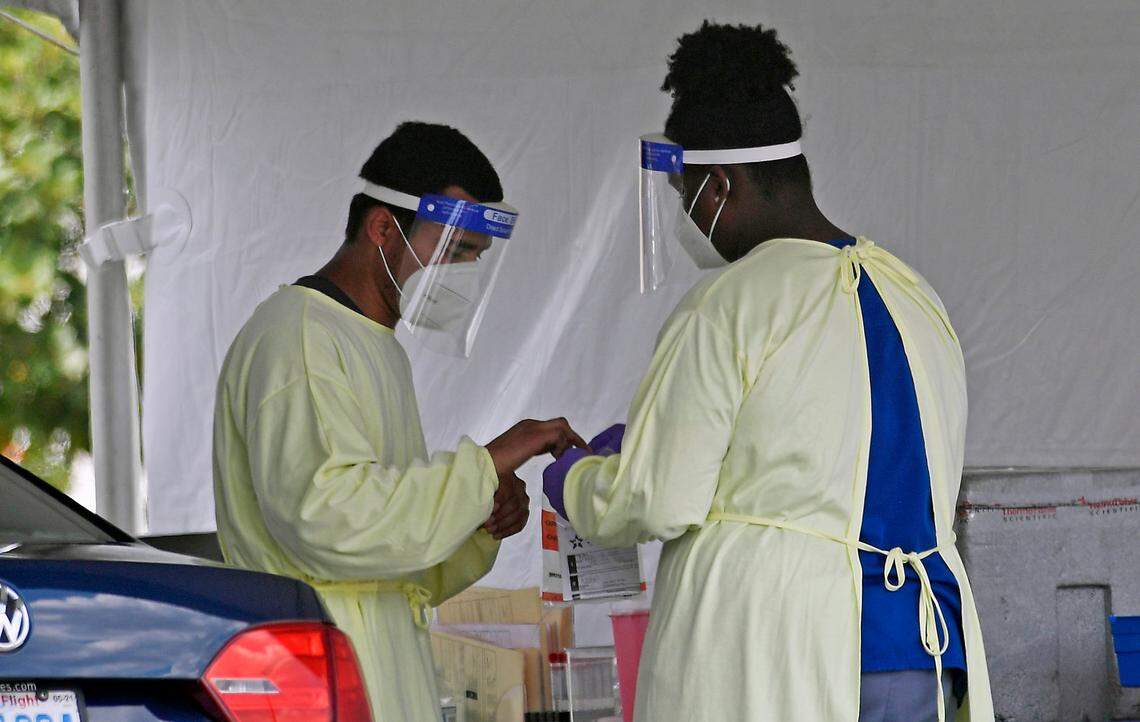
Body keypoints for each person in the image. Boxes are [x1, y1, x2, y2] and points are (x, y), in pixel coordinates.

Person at [543, 22, 994, 722]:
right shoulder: (913, 294)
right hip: (921, 653)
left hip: (783, 653)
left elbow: (658, 501)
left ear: (718, 184)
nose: (686, 218)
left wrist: (575, 477)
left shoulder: (732, 303)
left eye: (685, 195)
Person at [214, 121, 586, 721]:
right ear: (384, 227)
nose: (461, 272)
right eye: (453, 252)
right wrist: (487, 464)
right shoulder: (302, 336)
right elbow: (329, 521)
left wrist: (478, 519)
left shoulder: (370, 343)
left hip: (379, 661)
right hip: (322, 669)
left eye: (474, 257)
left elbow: (393, 556)